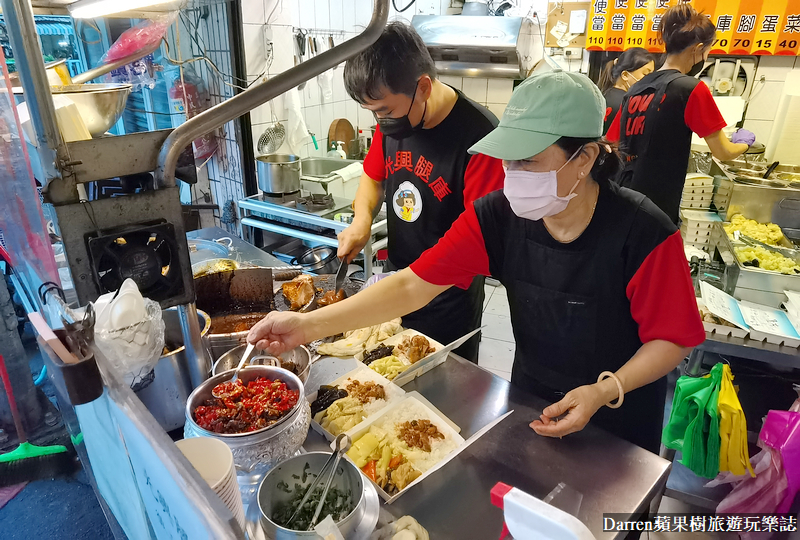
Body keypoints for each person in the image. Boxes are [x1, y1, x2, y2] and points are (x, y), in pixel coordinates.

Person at [250, 69, 705, 454]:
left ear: (584, 157)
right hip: (532, 402)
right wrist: (308, 326)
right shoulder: (498, 216)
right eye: (509, 161)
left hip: (617, 420)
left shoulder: (644, 232)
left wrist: (604, 390)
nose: (513, 177)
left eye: (527, 161)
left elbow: (673, 339)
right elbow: (412, 285)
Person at [336, 22, 505, 362]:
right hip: (397, 278)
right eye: (373, 112)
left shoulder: (481, 139)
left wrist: (412, 284)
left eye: (384, 110)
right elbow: (372, 175)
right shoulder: (398, 119)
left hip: (447, 296)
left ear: (423, 87)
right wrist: (362, 220)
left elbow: (483, 237)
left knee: (443, 396)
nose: (381, 121)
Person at [607, 4, 754, 225]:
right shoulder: (691, 89)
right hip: (658, 206)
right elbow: (723, 151)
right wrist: (745, 143)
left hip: (625, 197)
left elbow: (613, 142)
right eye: (708, 50)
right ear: (698, 49)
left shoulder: (636, 88)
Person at [598, 48, 655, 133]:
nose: (650, 79)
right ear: (625, 75)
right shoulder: (630, 104)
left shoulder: (602, 95)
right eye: (645, 74)